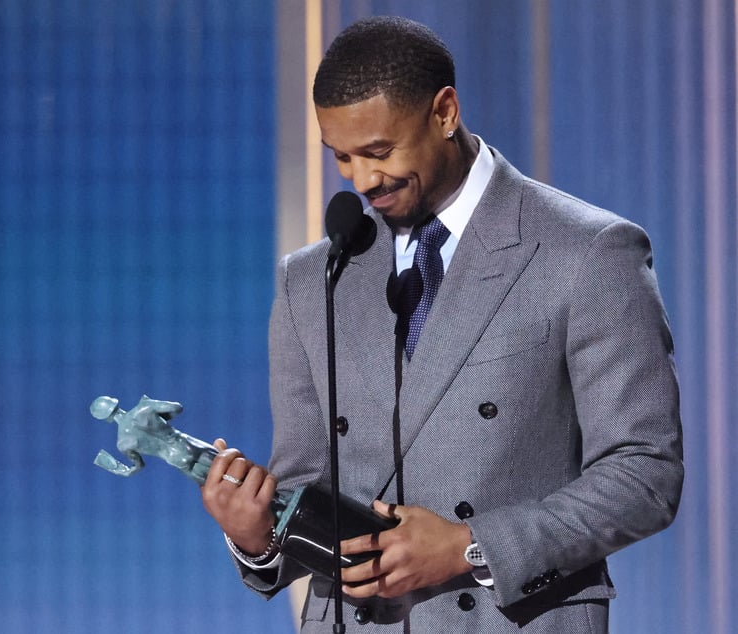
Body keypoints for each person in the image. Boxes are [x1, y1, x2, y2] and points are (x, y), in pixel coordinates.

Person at [201, 15, 683, 632]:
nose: (360, 180)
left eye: (379, 152)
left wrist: (466, 546)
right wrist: (257, 536)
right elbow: (305, 484)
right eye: (341, 156)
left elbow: (645, 473)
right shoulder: (312, 279)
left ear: (445, 112)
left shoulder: (586, 252)